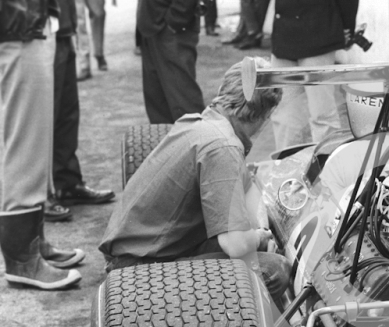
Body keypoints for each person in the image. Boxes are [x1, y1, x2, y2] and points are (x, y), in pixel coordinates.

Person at [99, 59, 291, 301]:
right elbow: (236, 245)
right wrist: (260, 237)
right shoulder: (223, 147)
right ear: (266, 114)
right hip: (139, 270)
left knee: (259, 246)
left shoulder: (205, 123)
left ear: (225, 91)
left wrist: (262, 230)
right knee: (275, 269)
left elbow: (248, 187)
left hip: (142, 251)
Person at [1, 0, 83, 290]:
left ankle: (33, 244)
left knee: (34, 134)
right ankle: (21, 255)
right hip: (15, 24)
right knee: (26, 138)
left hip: (27, 21)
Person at [49, 0, 115, 222]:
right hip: (42, 32)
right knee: (44, 118)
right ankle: (41, 195)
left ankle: (68, 184)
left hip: (63, 30)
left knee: (67, 113)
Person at [269, 0, 358, 149]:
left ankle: (321, 164)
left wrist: (347, 28)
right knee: (288, 112)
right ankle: (291, 164)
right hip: (291, 33)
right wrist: (347, 28)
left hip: (314, 33)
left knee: (317, 113)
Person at [137, 0, 205, 123]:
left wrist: (175, 20)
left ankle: (199, 140)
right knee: (158, 103)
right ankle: (169, 140)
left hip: (171, 30)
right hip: (152, 25)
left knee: (184, 102)